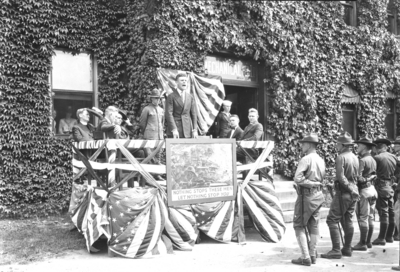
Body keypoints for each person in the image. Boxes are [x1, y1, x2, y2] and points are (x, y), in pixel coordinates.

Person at [321, 131, 359, 259]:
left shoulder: (341, 157)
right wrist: (352, 189)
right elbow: (354, 176)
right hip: (353, 191)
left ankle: (336, 250)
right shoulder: (355, 157)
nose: (336, 146)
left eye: (337, 144)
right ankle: (347, 248)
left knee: (332, 219)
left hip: (344, 193)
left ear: (343, 145)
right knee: (348, 219)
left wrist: (347, 188)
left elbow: (341, 177)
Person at [291, 133, 325, 266]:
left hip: (306, 196)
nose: (302, 146)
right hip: (318, 196)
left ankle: (305, 257)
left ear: (310, 145)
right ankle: (312, 254)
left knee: (298, 225)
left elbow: (297, 178)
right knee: (314, 225)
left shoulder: (306, 159)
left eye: (304, 143)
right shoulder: (321, 159)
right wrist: (315, 184)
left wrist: (310, 183)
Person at [352, 137, 377, 251]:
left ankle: (362, 244)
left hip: (365, 191)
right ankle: (368, 242)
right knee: (370, 217)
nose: (357, 147)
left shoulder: (362, 160)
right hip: (372, 190)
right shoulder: (372, 159)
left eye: (359, 145)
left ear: (364, 147)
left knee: (363, 218)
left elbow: (359, 178)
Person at [371, 138, 397, 245]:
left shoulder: (376, 158)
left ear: (377, 147)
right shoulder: (393, 157)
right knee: (391, 211)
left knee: (383, 212)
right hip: (390, 186)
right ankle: (389, 236)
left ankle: (381, 238)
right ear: (385, 147)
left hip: (381, 185)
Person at [165, 73, 198, 139]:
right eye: (182, 80)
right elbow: (169, 114)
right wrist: (174, 129)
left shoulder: (190, 97)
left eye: (185, 80)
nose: (184, 82)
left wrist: (195, 130)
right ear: (176, 82)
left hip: (187, 131)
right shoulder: (171, 96)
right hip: (175, 131)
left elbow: (194, 114)